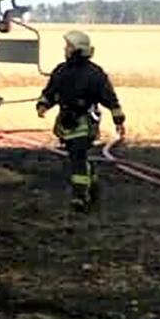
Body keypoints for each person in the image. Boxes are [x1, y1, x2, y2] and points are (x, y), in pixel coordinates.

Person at [36, 30, 126, 213]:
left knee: (78, 157)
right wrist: (43, 104)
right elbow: (51, 91)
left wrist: (118, 120)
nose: (65, 49)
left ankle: (79, 197)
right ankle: (92, 183)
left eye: (68, 46)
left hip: (85, 121)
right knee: (76, 157)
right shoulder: (61, 70)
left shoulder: (94, 73)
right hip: (65, 121)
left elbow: (110, 98)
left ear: (77, 49)